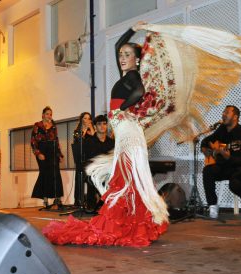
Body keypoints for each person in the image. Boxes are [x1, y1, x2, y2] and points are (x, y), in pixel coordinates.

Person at [43, 21, 169, 247]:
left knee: (126, 177)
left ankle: (127, 223)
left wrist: (121, 109)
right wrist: (133, 29)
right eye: (121, 54)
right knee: (126, 179)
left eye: (127, 55)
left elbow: (139, 92)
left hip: (129, 133)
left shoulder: (133, 77)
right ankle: (132, 222)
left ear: (136, 59)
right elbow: (117, 45)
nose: (122, 57)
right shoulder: (125, 75)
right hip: (124, 133)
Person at [201, 105, 241, 219]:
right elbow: (207, 140)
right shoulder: (222, 128)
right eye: (223, 112)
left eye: (227, 112)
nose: (223, 114)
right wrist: (205, 148)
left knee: (234, 185)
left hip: (239, 168)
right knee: (208, 171)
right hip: (225, 166)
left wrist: (227, 156)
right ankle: (213, 205)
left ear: (235, 117)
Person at [31, 106, 64, 209]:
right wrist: (38, 153)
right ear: (43, 115)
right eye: (47, 114)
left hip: (52, 151)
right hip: (42, 151)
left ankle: (57, 198)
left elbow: (56, 141)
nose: (49, 116)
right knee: (44, 173)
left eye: (50, 114)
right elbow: (33, 141)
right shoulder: (37, 125)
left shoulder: (54, 126)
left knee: (56, 173)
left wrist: (60, 154)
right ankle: (45, 199)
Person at [84, 115, 115, 211]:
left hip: (108, 171)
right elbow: (89, 159)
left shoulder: (111, 142)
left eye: (104, 124)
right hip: (95, 170)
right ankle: (92, 206)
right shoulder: (89, 141)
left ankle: (111, 205)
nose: (102, 126)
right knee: (92, 178)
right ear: (95, 127)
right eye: (99, 124)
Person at [73, 112, 95, 207]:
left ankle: (91, 203)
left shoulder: (92, 131)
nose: (87, 120)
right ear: (82, 119)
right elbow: (79, 141)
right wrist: (85, 130)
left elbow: (96, 140)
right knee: (79, 180)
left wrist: (91, 128)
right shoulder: (77, 131)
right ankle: (78, 202)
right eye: (85, 118)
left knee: (91, 181)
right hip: (80, 159)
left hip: (90, 159)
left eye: (89, 118)